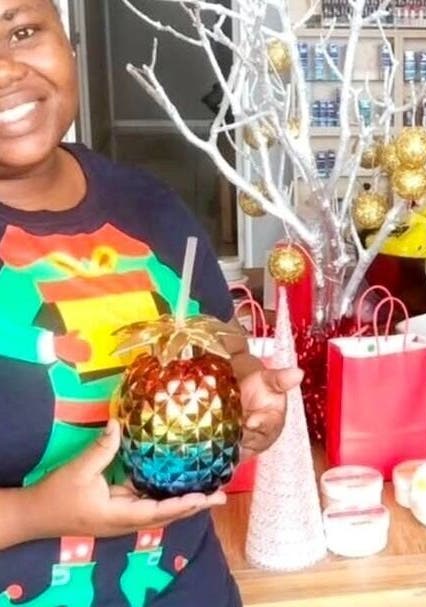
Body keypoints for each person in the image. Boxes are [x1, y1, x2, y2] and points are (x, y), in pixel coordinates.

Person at [0, 2, 300, 605]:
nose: (6, 70)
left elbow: (224, 340)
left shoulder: (150, 205)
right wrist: (36, 512)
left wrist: (249, 388)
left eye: (22, 32)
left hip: (190, 585)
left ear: (67, 40)